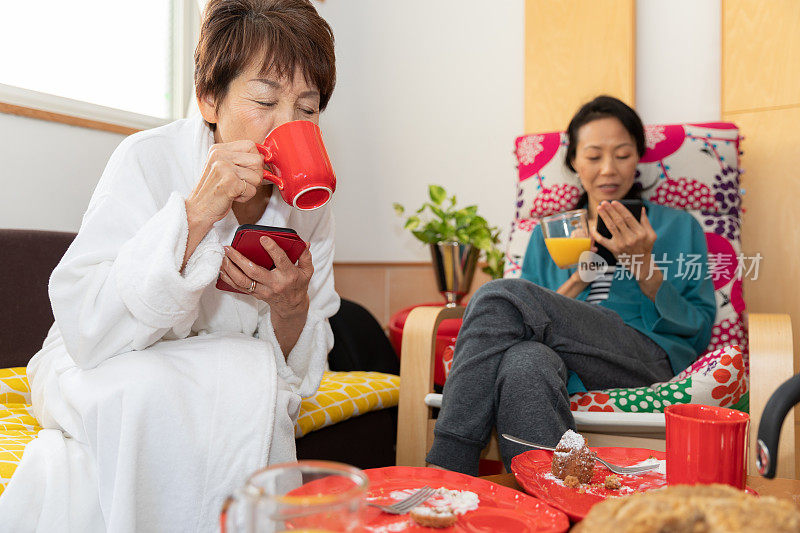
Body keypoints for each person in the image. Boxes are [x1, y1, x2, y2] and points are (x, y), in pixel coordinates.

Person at [0, 1, 339, 530]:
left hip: (219, 365)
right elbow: (87, 324)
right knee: (143, 391)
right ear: (209, 100)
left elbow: (300, 365)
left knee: (252, 382)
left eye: (307, 108)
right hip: (104, 358)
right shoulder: (147, 158)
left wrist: (291, 308)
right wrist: (199, 212)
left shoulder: (310, 201)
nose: (286, 124)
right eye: (265, 100)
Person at [426, 96, 716, 475]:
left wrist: (644, 266)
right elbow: (521, 321)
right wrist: (580, 278)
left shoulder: (678, 227)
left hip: (645, 358)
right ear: (574, 162)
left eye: (623, 154)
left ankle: (447, 468)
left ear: (638, 159)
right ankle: (555, 498)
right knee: (523, 362)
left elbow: (699, 327)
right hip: (567, 362)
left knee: (499, 293)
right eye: (594, 156)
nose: (609, 169)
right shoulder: (551, 235)